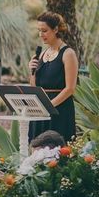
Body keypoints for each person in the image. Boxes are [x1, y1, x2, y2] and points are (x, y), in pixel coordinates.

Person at [28, 11, 78, 144]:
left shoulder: (68, 54)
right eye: (39, 30)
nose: (41, 35)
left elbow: (70, 89)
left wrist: (49, 106)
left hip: (59, 110)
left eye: (44, 30)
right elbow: (34, 87)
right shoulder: (41, 54)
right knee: (37, 150)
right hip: (40, 109)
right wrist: (31, 70)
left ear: (56, 29)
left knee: (58, 153)